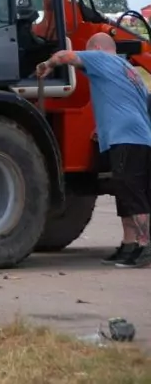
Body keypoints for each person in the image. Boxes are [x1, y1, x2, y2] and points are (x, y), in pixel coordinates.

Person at [37, 32, 151, 268]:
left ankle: (144, 245)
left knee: (132, 193)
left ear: (97, 48)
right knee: (123, 191)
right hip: (135, 136)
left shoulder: (102, 59)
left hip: (126, 138)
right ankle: (129, 244)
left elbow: (64, 56)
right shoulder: (129, 72)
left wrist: (47, 65)